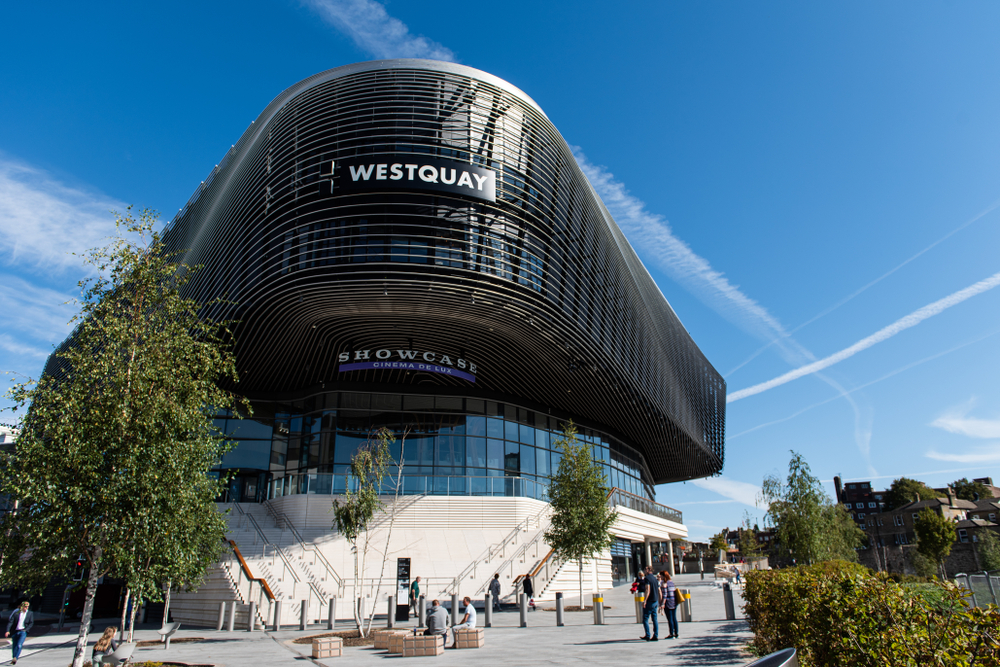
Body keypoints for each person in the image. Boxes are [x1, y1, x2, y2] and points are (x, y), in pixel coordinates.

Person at [5, 600, 34, 664]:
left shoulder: (30, 613)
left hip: (23, 632)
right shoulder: (16, 613)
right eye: (25, 607)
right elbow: (11, 622)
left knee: (19, 645)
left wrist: (26, 629)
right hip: (15, 631)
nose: (26, 608)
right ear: (22, 606)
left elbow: (31, 623)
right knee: (14, 645)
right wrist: (7, 631)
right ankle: (14, 657)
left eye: (27, 607)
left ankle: (16, 658)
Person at [639, 565, 660, 641]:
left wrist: (645, 600)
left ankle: (647, 635)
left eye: (645, 569)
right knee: (655, 619)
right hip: (655, 601)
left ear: (649, 570)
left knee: (645, 618)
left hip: (650, 601)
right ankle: (656, 635)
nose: (644, 571)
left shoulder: (647, 578)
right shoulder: (655, 579)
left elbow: (647, 590)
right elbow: (659, 590)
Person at [659, 571, 679, 639]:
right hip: (674, 601)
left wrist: (662, 603)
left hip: (668, 602)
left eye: (661, 575)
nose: (660, 577)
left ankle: (671, 633)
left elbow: (664, 595)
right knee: (674, 618)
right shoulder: (671, 582)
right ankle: (676, 633)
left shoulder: (664, 583)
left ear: (664, 576)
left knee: (670, 618)